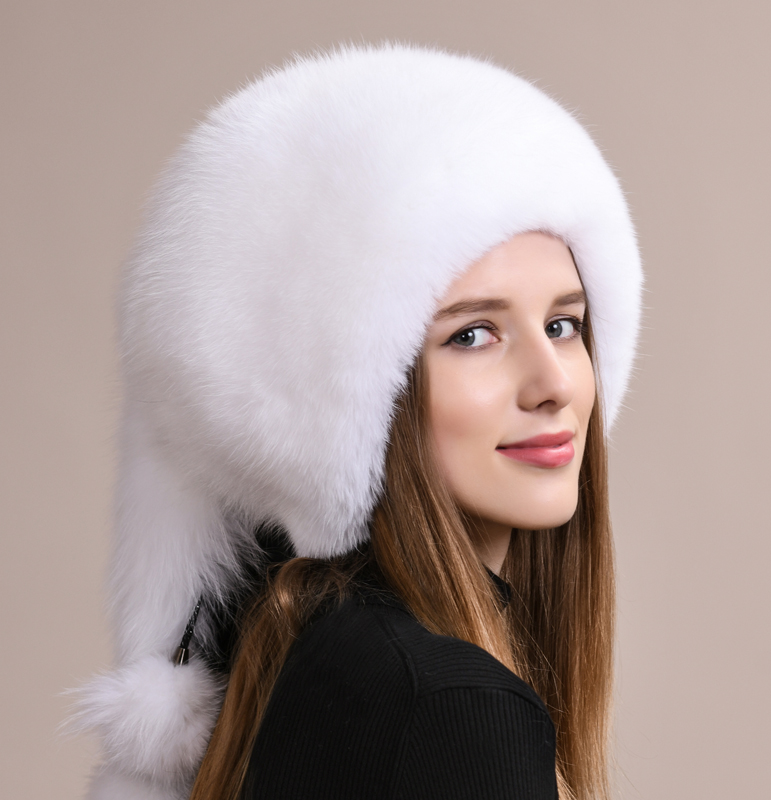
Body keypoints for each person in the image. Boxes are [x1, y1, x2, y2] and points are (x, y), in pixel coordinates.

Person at [73, 44, 642, 800]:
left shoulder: (289, 635)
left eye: (564, 325)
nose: (554, 384)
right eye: (473, 334)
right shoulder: (451, 707)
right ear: (349, 393)